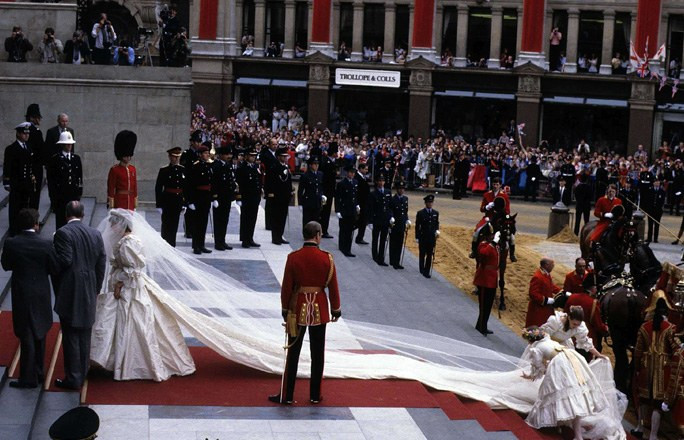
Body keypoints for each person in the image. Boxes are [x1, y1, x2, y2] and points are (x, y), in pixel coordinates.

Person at [91, 209, 196, 381]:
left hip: (129, 290)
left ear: (121, 224)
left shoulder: (128, 243)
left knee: (134, 322)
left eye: (113, 224)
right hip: (128, 287)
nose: (111, 227)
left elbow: (133, 271)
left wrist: (119, 283)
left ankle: (128, 363)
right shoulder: (126, 241)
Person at [269, 221, 341, 404]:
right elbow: (333, 287)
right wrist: (336, 309)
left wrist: (285, 309)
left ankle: (287, 395)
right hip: (319, 308)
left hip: (297, 308)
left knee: (293, 352)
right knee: (318, 354)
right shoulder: (327, 258)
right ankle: (315, 395)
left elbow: (286, 287)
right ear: (317, 235)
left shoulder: (293, 257)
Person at [52, 201, 107, 389]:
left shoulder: (62, 233)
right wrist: (96, 287)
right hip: (89, 286)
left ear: (67, 214)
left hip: (70, 288)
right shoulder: (95, 234)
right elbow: (101, 263)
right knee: (84, 332)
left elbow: (65, 261)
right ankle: (82, 373)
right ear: (82, 214)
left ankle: (73, 378)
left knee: (70, 335)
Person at [521, 327, 610, 440]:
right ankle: (573, 432)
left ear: (530, 340)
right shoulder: (546, 339)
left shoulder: (536, 348)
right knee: (572, 394)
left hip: (560, 364)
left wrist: (530, 376)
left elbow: (538, 367)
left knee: (555, 393)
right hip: (572, 357)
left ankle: (562, 424)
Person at [1, 208, 57, 388]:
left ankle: (28, 377)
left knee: (26, 334)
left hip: (22, 292)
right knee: (40, 331)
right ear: (36, 224)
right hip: (41, 291)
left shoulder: (12, 243)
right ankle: (39, 372)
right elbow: (53, 267)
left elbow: (6, 265)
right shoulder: (46, 244)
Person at [632, 296, 680, 440]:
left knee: (644, 399)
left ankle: (639, 428)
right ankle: (653, 435)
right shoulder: (670, 328)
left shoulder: (644, 327)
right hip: (663, 369)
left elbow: (638, 351)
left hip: (646, 367)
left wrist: (637, 367)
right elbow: (676, 349)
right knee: (657, 404)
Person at [4, 122, 37, 236]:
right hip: (17, 183)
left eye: (27, 134)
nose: (26, 136)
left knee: (24, 207)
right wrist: (6, 182)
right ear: (18, 134)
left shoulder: (28, 147)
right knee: (15, 208)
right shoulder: (11, 149)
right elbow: (7, 166)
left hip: (26, 184)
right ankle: (14, 231)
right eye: (24, 134)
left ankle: (23, 230)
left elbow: (30, 166)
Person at [539, 306, 606, 361]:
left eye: (578, 324)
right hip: (548, 344)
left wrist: (598, 355)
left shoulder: (579, 328)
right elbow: (543, 336)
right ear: (569, 318)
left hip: (563, 345)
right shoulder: (556, 322)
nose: (576, 326)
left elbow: (585, 342)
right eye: (574, 324)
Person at [46, 132, 83, 229]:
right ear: (62, 144)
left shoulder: (76, 158)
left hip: (73, 195)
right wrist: (53, 199)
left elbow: (79, 177)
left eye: (71, 144)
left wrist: (79, 193)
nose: (69, 146)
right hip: (60, 196)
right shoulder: (55, 159)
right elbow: (51, 181)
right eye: (67, 143)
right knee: (61, 222)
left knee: (74, 222)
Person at [565, 276, 609, 355]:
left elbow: (565, 314)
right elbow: (597, 324)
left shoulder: (572, 297)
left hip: (569, 337)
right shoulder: (593, 303)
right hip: (585, 339)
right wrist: (606, 328)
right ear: (593, 289)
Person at [155, 147, 186, 247]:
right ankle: (165, 246)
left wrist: (184, 203)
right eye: (174, 157)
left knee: (174, 225)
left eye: (178, 157)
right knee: (166, 225)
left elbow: (185, 188)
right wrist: (159, 205)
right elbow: (158, 188)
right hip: (167, 201)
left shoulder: (183, 169)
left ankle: (172, 246)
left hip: (177, 201)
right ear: (169, 157)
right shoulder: (164, 170)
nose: (176, 159)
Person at [186, 143, 213, 254]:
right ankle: (196, 245)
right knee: (197, 223)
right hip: (198, 197)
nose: (207, 155)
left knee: (204, 222)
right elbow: (190, 184)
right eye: (205, 153)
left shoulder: (207, 166)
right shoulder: (195, 166)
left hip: (206, 197)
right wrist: (190, 201)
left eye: (207, 153)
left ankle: (201, 244)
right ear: (200, 154)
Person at [473, 224, 499, 336]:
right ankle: (481, 326)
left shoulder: (494, 246)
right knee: (483, 304)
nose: (492, 236)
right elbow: (484, 254)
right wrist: (493, 243)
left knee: (488, 304)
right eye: (490, 235)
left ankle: (483, 324)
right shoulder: (483, 245)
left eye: (493, 235)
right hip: (484, 279)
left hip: (492, 278)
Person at [211, 145, 237, 250]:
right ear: (221, 155)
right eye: (226, 154)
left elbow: (230, 181)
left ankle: (222, 240)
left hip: (226, 197)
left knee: (224, 220)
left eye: (230, 154)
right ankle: (218, 242)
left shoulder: (228, 165)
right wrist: (214, 197)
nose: (229, 156)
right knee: (218, 220)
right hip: (219, 197)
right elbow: (214, 182)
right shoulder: (216, 165)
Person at [266, 147, 293, 245]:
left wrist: (290, 192)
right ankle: (275, 237)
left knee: (282, 217)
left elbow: (288, 181)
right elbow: (269, 181)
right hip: (276, 196)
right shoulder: (274, 167)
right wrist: (270, 194)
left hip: (284, 196)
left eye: (286, 156)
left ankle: (280, 235)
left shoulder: (286, 167)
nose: (285, 158)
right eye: (283, 156)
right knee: (276, 217)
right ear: (278, 157)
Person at [235, 148, 262, 248]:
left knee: (252, 218)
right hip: (246, 196)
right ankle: (245, 239)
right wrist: (239, 198)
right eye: (251, 155)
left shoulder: (255, 166)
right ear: (246, 156)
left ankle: (250, 238)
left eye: (254, 156)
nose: (253, 157)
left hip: (254, 196)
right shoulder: (242, 168)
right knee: (245, 218)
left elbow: (258, 181)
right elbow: (239, 184)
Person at [525, 258, 563, 328]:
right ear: (546, 265)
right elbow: (533, 294)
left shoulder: (546, 274)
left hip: (545, 309)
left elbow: (551, 286)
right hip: (538, 310)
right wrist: (547, 300)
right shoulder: (538, 277)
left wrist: (561, 291)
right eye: (552, 264)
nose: (553, 266)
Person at [106, 130, 138, 210]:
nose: (128, 157)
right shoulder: (115, 170)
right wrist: (111, 203)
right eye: (126, 155)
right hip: (119, 202)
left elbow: (134, 187)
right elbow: (111, 188)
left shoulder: (132, 169)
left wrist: (135, 201)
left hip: (130, 201)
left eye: (129, 155)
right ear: (121, 155)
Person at [180, 130, 203, 238]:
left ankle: (195, 229)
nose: (198, 144)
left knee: (197, 209)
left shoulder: (200, 154)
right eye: (196, 142)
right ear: (192, 142)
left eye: (199, 142)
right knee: (189, 208)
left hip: (198, 185)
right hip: (189, 185)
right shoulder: (187, 154)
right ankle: (188, 230)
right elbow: (185, 170)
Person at [335, 165, 359, 257]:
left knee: (350, 230)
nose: (352, 174)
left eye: (353, 173)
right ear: (347, 173)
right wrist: (338, 210)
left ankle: (348, 248)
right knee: (343, 229)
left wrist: (357, 205)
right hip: (344, 209)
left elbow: (355, 196)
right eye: (350, 172)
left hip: (352, 209)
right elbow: (338, 198)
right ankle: (342, 246)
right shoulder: (342, 183)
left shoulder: (355, 182)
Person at [369, 174, 392, 266]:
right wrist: (370, 221)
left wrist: (391, 216)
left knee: (383, 239)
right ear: (376, 182)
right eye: (379, 181)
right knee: (375, 238)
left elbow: (390, 206)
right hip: (376, 219)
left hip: (385, 219)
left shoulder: (387, 192)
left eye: (382, 181)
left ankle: (381, 258)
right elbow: (370, 208)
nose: (381, 183)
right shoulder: (373, 194)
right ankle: (375, 255)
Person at [25, 103, 44, 211]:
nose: (39, 120)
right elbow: (41, 150)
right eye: (37, 117)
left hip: (27, 167)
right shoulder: (36, 133)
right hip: (35, 167)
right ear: (32, 118)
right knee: (34, 196)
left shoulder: (23, 129)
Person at [297, 156, 325, 230]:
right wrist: (300, 202)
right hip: (308, 200)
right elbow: (300, 190)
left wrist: (322, 195)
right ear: (310, 165)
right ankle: (307, 233)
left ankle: (314, 233)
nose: (316, 166)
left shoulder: (320, 174)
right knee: (307, 219)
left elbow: (321, 186)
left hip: (317, 200)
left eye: (317, 164)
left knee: (316, 219)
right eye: (314, 164)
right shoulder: (305, 175)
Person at [415, 194, 440, 278]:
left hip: (431, 237)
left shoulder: (435, 213)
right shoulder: (421, 213)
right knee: (422, 254)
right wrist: (417, 237)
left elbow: (436, 223)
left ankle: (427, 270)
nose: (430, 204)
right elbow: (417, 226)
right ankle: (421, 268)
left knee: (430, 254)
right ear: (425, 203)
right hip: (423, 236)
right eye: (428, 202)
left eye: (431, 202)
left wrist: (437, 231)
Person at [388, 181, 409, 269]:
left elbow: (405, 211)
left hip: (401, 224)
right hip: (394, 224)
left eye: (403, 189)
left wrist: (407, 220)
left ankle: (397, 261)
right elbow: (390, 210)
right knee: (393, 243)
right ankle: (392, 260)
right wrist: (391, 218)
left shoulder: (405, 199)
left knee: (400, 243)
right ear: (397, 190)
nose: (401, 191)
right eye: (400, 189)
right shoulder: (393, 199)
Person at [319, 147, 337, 238]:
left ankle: (324, 229)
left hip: (330, 190)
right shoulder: (326, 162)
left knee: (327, 211)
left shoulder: (332, 162)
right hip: (326, 190)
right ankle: (322, 230)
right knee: (324, 211)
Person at [644, 178, 666, 243]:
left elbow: (662, 202)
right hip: (651, 210)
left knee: (657, 225)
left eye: (658, 182)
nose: (657, 183)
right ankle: (649, 238)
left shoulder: (662, 191)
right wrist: (647, 209)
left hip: (658, 211)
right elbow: (647, 200)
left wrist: (660, 210)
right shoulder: (650, 190)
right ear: (653, 183)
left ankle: (655, 239)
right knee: (650, 225)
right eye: (656, 182)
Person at [354, 163, 371, 245]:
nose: (366, 171)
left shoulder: (363, 177)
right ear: (360, 169)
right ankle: (359, 237)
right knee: (361, 220)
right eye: (365, 169)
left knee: (363, 221)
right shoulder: (357, 177)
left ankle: (360, 237)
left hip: (365, 202)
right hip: (361, 202)